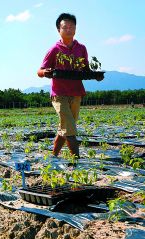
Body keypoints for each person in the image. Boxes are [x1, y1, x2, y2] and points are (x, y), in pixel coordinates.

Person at [37, 13, 103, 159]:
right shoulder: (54, 49)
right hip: (59, 94)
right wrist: (45, 72)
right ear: (58, 30)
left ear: (75, 29)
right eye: (65, 27)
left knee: (65, 128)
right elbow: (39, 71)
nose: (68, 29)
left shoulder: (82, 48)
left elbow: (85, 70)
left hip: (76, 93)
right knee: (71, 130)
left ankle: (53, 156)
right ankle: (76, 164)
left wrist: (95, 75)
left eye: (71, 27)